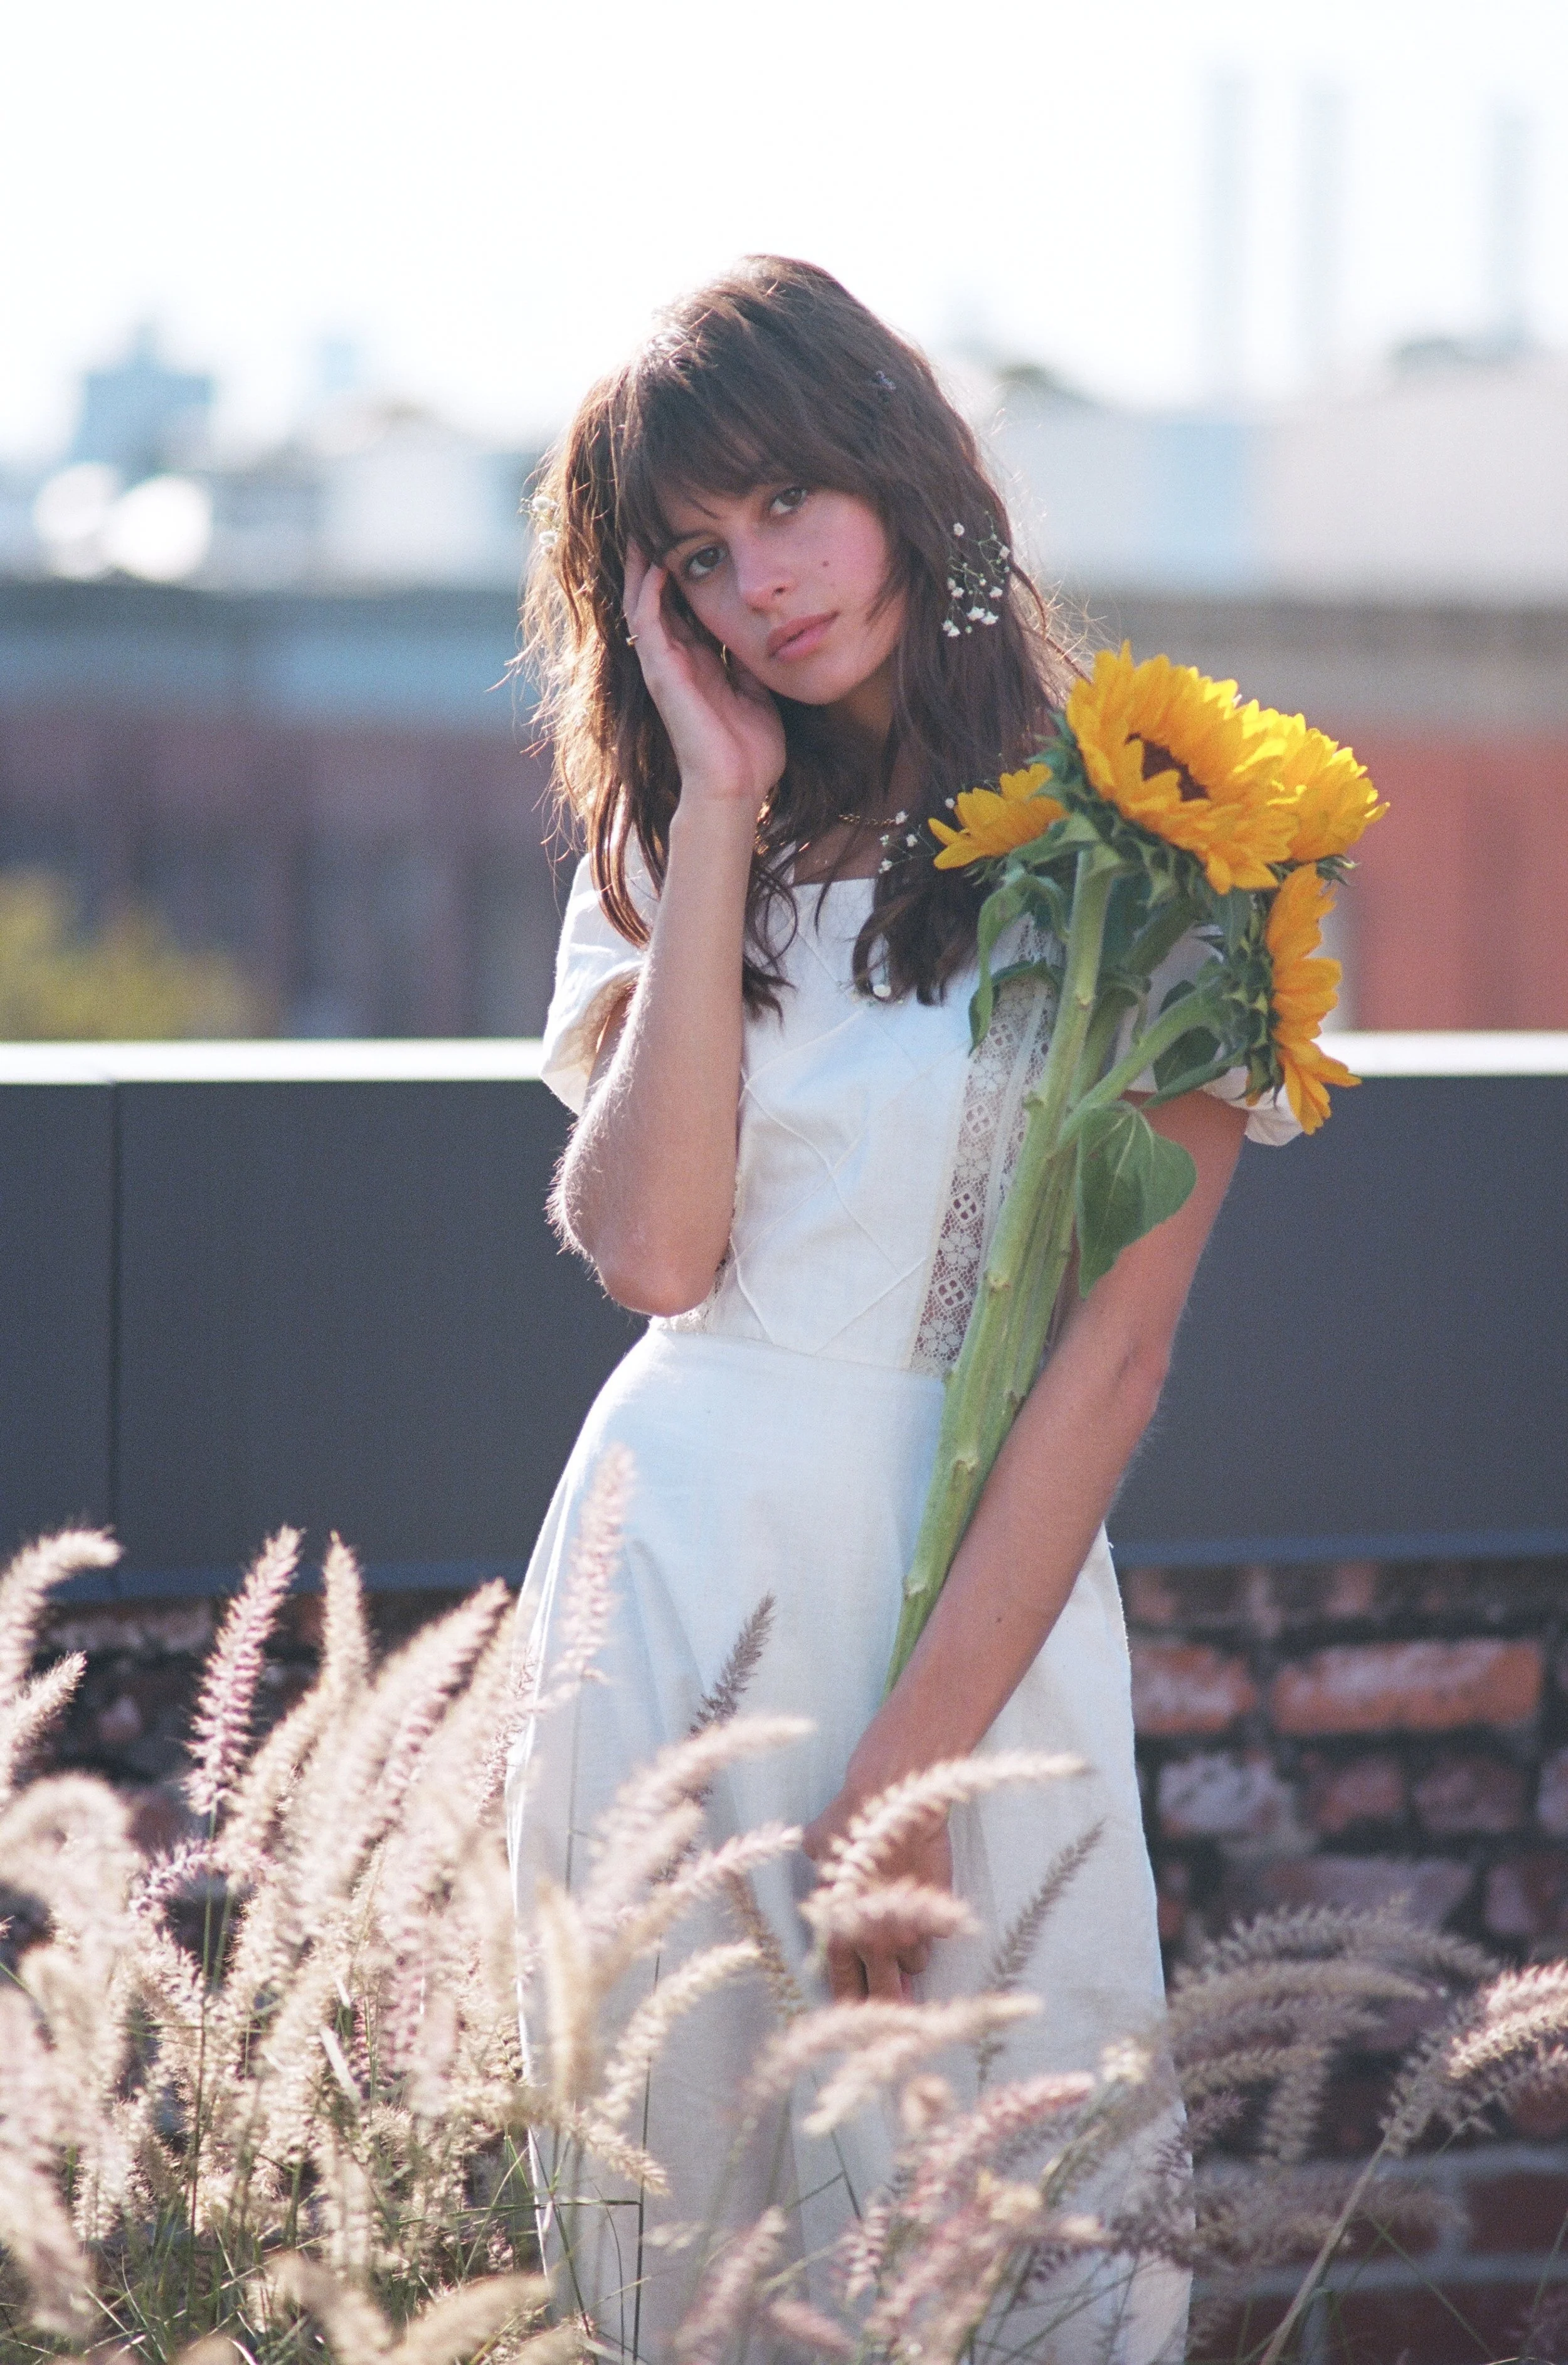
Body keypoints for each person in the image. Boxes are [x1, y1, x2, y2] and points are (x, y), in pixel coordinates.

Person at [506, 256, 1300, 2362]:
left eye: (789, 501)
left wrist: (905, 1775)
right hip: (671, 1574)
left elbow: (1109, 1360)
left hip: (969, 1622)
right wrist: (721, 815)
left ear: (901, 471)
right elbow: (656, 1259)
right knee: (676, 2243)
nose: (762, 580)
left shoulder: (1157, 856)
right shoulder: (675, 852)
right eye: (695, 551)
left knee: (1014, 2241)